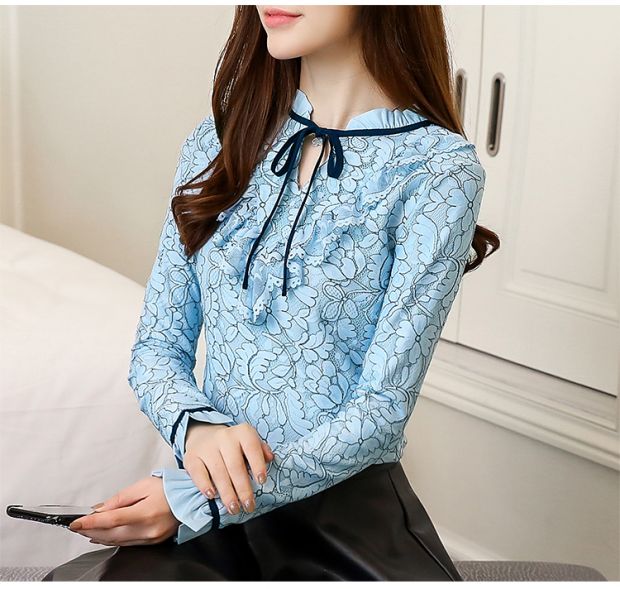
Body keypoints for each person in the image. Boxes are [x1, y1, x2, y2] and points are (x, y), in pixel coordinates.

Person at [43, 4, 499, 582]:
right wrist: (199, 428)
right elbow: (157, 348)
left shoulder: (438, 171)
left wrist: (196, 501)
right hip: (209, 516)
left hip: (340, 528)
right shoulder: (218, 140)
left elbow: (381, 410)